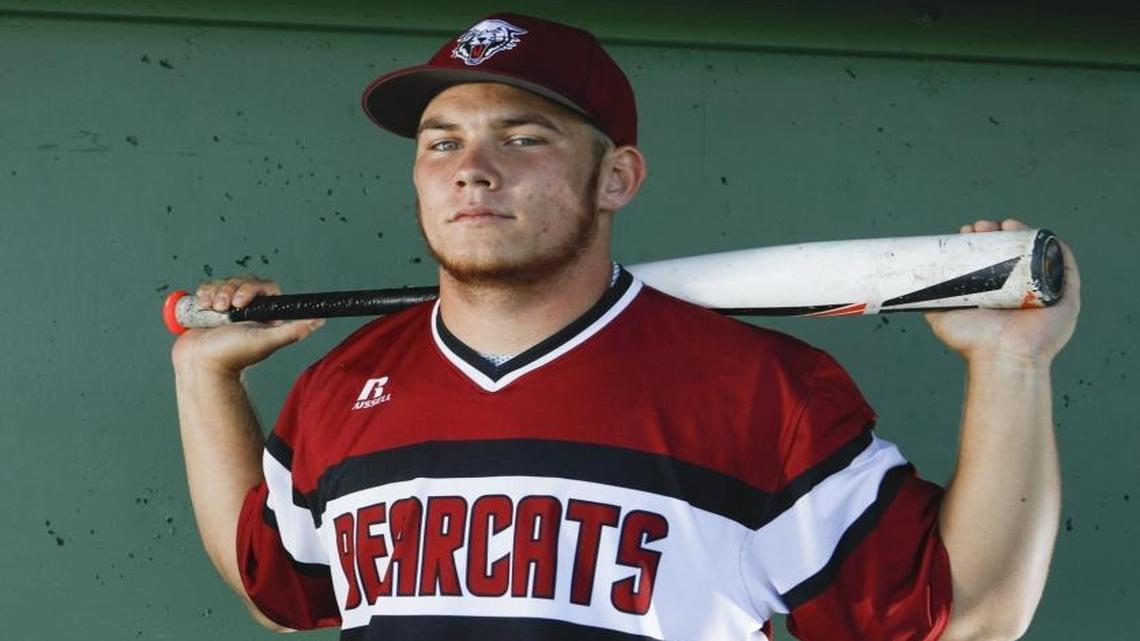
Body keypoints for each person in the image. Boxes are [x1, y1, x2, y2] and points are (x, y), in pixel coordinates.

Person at [171, 12, 1080, 641]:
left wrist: (1011, 364)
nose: (472, 169)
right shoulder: (342, 386)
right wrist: (203, 380)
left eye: (524, 138)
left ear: (618, 179)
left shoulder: (761, 390)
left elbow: (962, 618)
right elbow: (280, 589)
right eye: (442, 140)